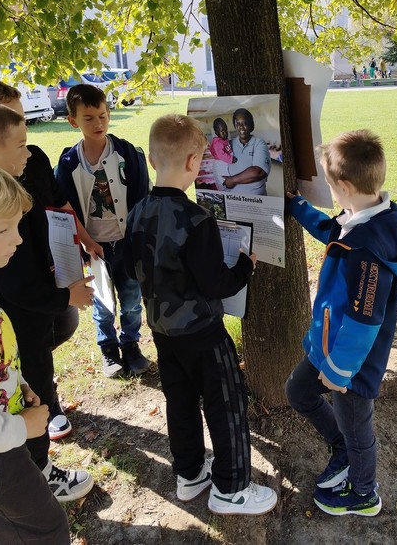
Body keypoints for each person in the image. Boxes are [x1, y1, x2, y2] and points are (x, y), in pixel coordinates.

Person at [124, 114, 277, 516]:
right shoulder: (196, 220)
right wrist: (244, 267)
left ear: (153, 161)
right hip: (204, 334)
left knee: (180, 401)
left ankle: (190, 474)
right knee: (226, 405)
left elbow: (128, 267)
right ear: (195, 162)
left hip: (162, 332)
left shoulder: (137, 211)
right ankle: (231, 488)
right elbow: (217, 284)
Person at [285, 129, 397, 517]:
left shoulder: (369, 247)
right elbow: (332, 230)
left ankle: (363, 493)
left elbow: (364, 319)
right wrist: (298, 208)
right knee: (298, 391)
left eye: (330, 186)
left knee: (358, 430)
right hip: (328, 344)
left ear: (344, 187)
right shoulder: (364, 215)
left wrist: (340, 372)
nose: (331, 192)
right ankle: (339, 446)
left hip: (353, 365)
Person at [0, 103, 95, 502]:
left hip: (23, 327)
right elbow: (19, 285)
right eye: (20, 145)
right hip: (22, 321)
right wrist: (65, 295)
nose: (29, 152)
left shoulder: (14, 187)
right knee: (35, 386)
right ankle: (41, 473)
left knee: (32, 385)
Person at [0, 163, 71, 544]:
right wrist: (22, 428)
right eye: (3, 230)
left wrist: (16, 382)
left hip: (4, 432)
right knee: (45, 531)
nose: (18, 239)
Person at [56, 84, 150, 377]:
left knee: (131, 299)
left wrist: (138, 239)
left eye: (102, 116)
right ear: (73, 121)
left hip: (127, 243)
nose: (98, 123)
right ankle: (108, 349)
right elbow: (65, 208)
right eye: (88, 118)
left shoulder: (127, 154)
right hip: (94, 247)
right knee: (103, 302)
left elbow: (142, 198)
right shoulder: (69, 163)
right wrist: (85, 243)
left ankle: (131, 344)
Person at [222, 108, 270, 195]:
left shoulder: (259, 143)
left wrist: (232, 180)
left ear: (251, 125)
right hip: (234, 197)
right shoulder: (229, 144)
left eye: (245, 123)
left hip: (256, 199)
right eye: (238, 124)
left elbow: (259, 172)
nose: (241, 127)